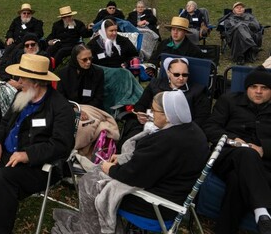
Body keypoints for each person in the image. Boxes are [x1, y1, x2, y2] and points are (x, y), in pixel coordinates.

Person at [53, 91, 208, 233]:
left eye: (154, 111)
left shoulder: (168, 141)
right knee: (94, 179)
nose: (151, 115)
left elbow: (135, 175)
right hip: (174, 194)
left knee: (90, 183)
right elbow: (152, 164)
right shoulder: (191, 130)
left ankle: (92, 230)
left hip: (156, 207)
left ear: (168, 115)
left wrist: (110, 169)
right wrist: (121, 158)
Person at [0, 53, 76, 234]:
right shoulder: (21, 96)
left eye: (22, 78)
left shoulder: (60, 108)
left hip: (38, 166)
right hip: (8, 155)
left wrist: (28, 155)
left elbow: (62, 145)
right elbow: (4, 124)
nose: (18, 81)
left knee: (4, 177)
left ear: (36, 82)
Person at [203, 66, 271, 234]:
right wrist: (231, 140)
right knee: (247, 153)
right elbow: (210, 127)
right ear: (246, 88)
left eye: (264, 88)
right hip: (228, 155)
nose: (258, 92)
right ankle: (262, 210)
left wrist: (264, 150)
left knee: (236, 180)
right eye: (254, 87)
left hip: (262, 163)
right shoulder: (229, 100)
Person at [120, 57, 210, 145]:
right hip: (149, 124)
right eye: (176, 74)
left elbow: (201, 118)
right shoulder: (155, 85)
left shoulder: (197, 91)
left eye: (185, 75)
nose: (181, 78)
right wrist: (140, 114)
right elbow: (141, 104)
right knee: (129, 141)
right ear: (168, 73)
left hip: (178, 132)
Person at [56, 44, 104, 111]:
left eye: (90, 58)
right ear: (75, 59)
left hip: (91, 109)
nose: (88, 62)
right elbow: (61, 97)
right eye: (84, 59)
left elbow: (99, 98)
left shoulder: (98, 73)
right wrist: (74, 109)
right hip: (69, 108)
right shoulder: (64, 73)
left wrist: (84, 110)